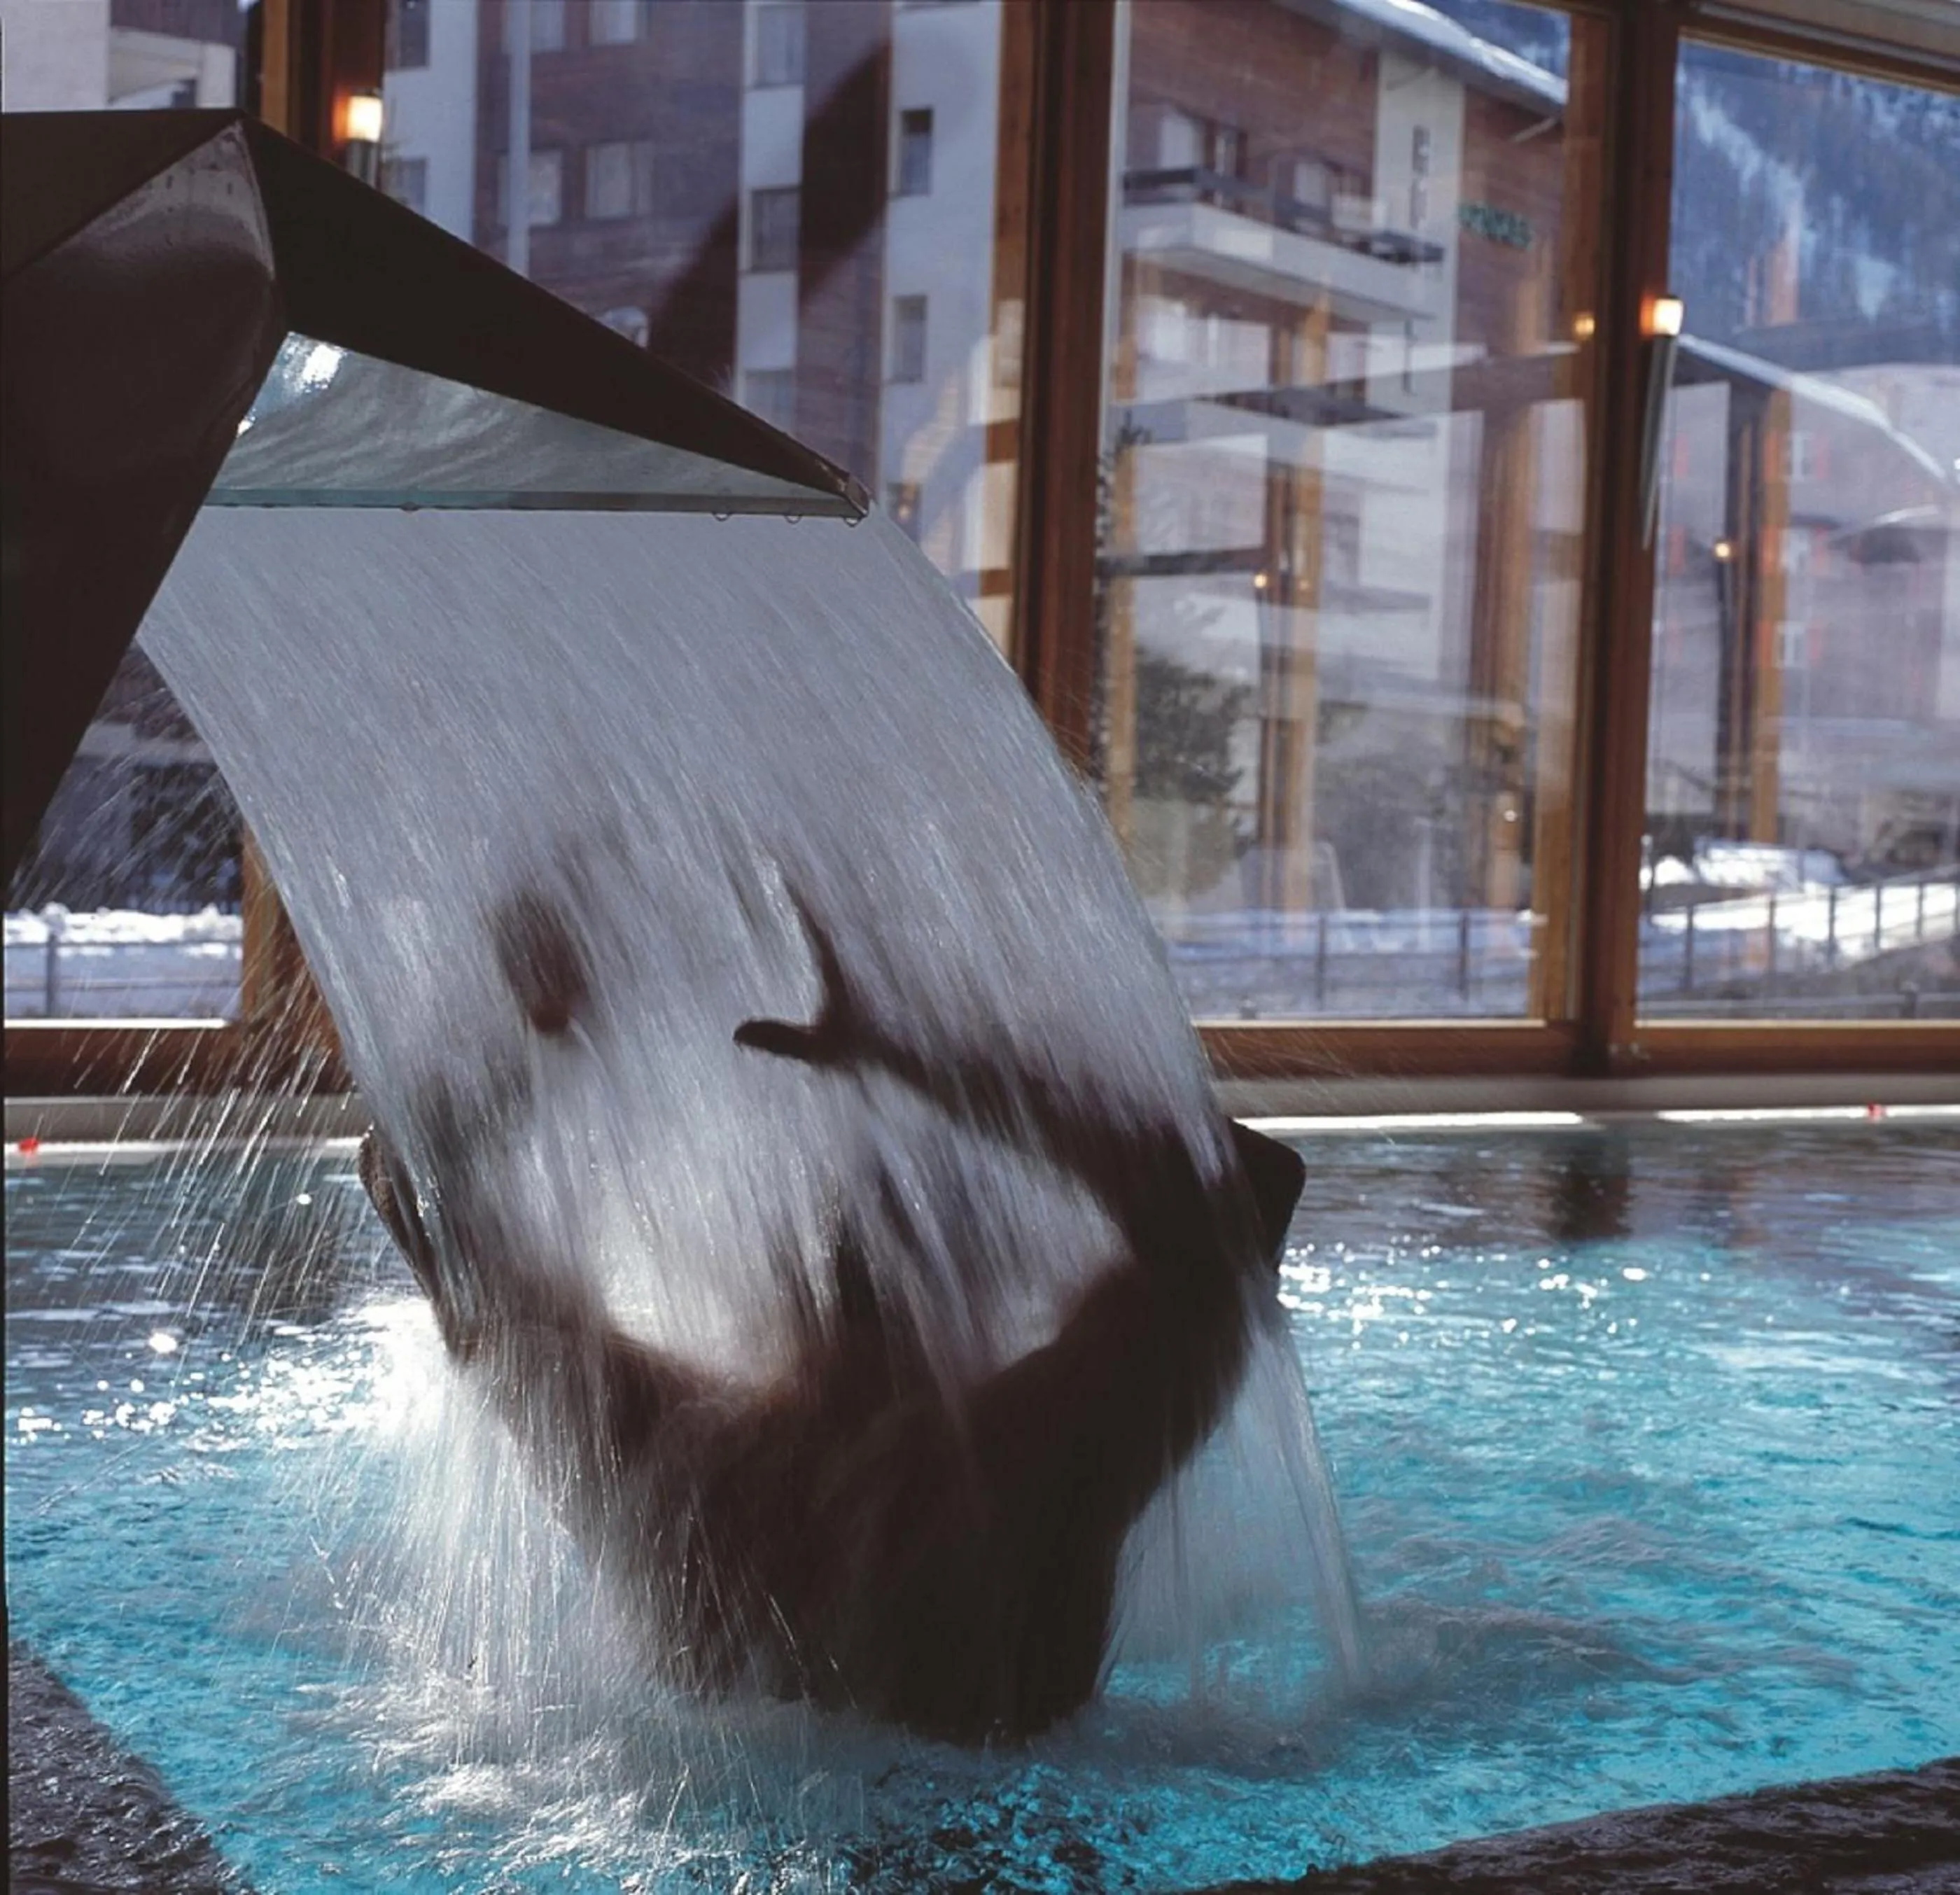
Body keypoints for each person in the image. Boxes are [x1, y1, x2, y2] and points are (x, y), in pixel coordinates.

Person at [359, 884, 1304, 1742]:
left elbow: (407, 1181)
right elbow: (1249, 1192)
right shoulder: (1038, 1462)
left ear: (782, 1295)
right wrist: (916, 1058)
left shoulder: (665, 1466)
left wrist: (546, 1041)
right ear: (966, 1295)